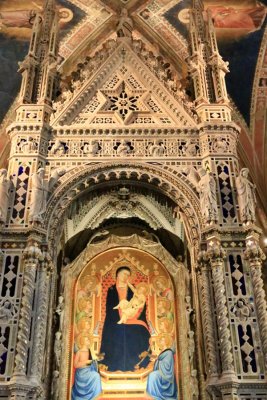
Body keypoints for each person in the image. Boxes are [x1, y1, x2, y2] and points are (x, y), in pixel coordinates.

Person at [100, 266, 150, 371]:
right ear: (117, 275)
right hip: (115, 319)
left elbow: (141, 305)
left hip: (133, 317)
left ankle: (136, 365)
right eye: (124, 274)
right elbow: (109, 308)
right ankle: (113, 366)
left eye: (128, 275)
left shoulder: (134, 289)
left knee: (138, 332)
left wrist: (133, 315)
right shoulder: (112, 289)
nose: (126, 276)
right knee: (114, 333)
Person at [146, 334, 177, 400]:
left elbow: (167, 365)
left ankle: (156, 395)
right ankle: (154, 395)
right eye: (160, 340)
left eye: (162, 340)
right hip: (162, 372)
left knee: (152, 375)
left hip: (166, 375)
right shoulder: (163, 352)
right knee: (152, 375)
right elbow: (159, 359)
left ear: (166, 341)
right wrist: (157, 360)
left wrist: (158, 361)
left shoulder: (169, 352)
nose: (160, 341)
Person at [72, 334, 102, 400]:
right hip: (81, 373)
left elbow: (93, 361)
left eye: (88, 339)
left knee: (96, 375)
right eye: (87, 340)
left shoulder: (90, 351)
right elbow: (75, 365)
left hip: (89, 370)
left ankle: (93, 396)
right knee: (96, 376)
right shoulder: (79, 352)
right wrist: (86, 362)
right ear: (83, 342)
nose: (88, 341)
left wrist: (97, 359)